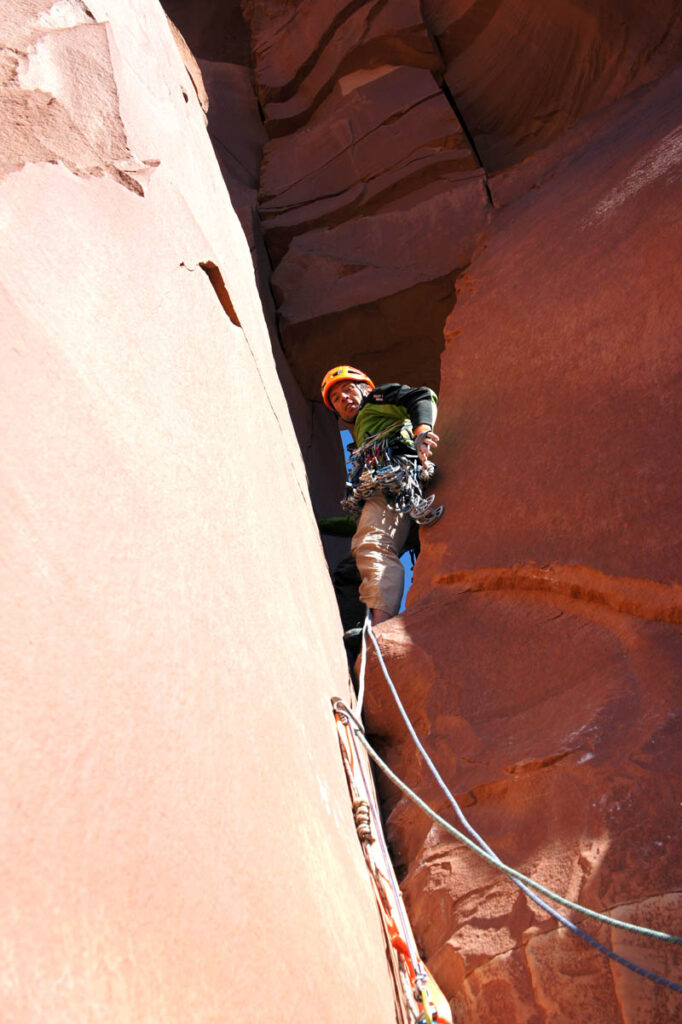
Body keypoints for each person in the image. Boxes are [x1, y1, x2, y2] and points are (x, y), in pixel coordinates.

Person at [321, 365, 441, 625]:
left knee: (372, 545)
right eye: (336, 399)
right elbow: (362, 518)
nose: (344, 399)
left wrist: (422, 432)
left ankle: (379, 626)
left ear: (366, 388)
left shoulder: (376, 400)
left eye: (348, 390)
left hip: (396, 485)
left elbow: (420, 395)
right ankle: (356, 636)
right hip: (397, 498)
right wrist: (318, 525)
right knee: (349, 572)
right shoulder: (361, 439)